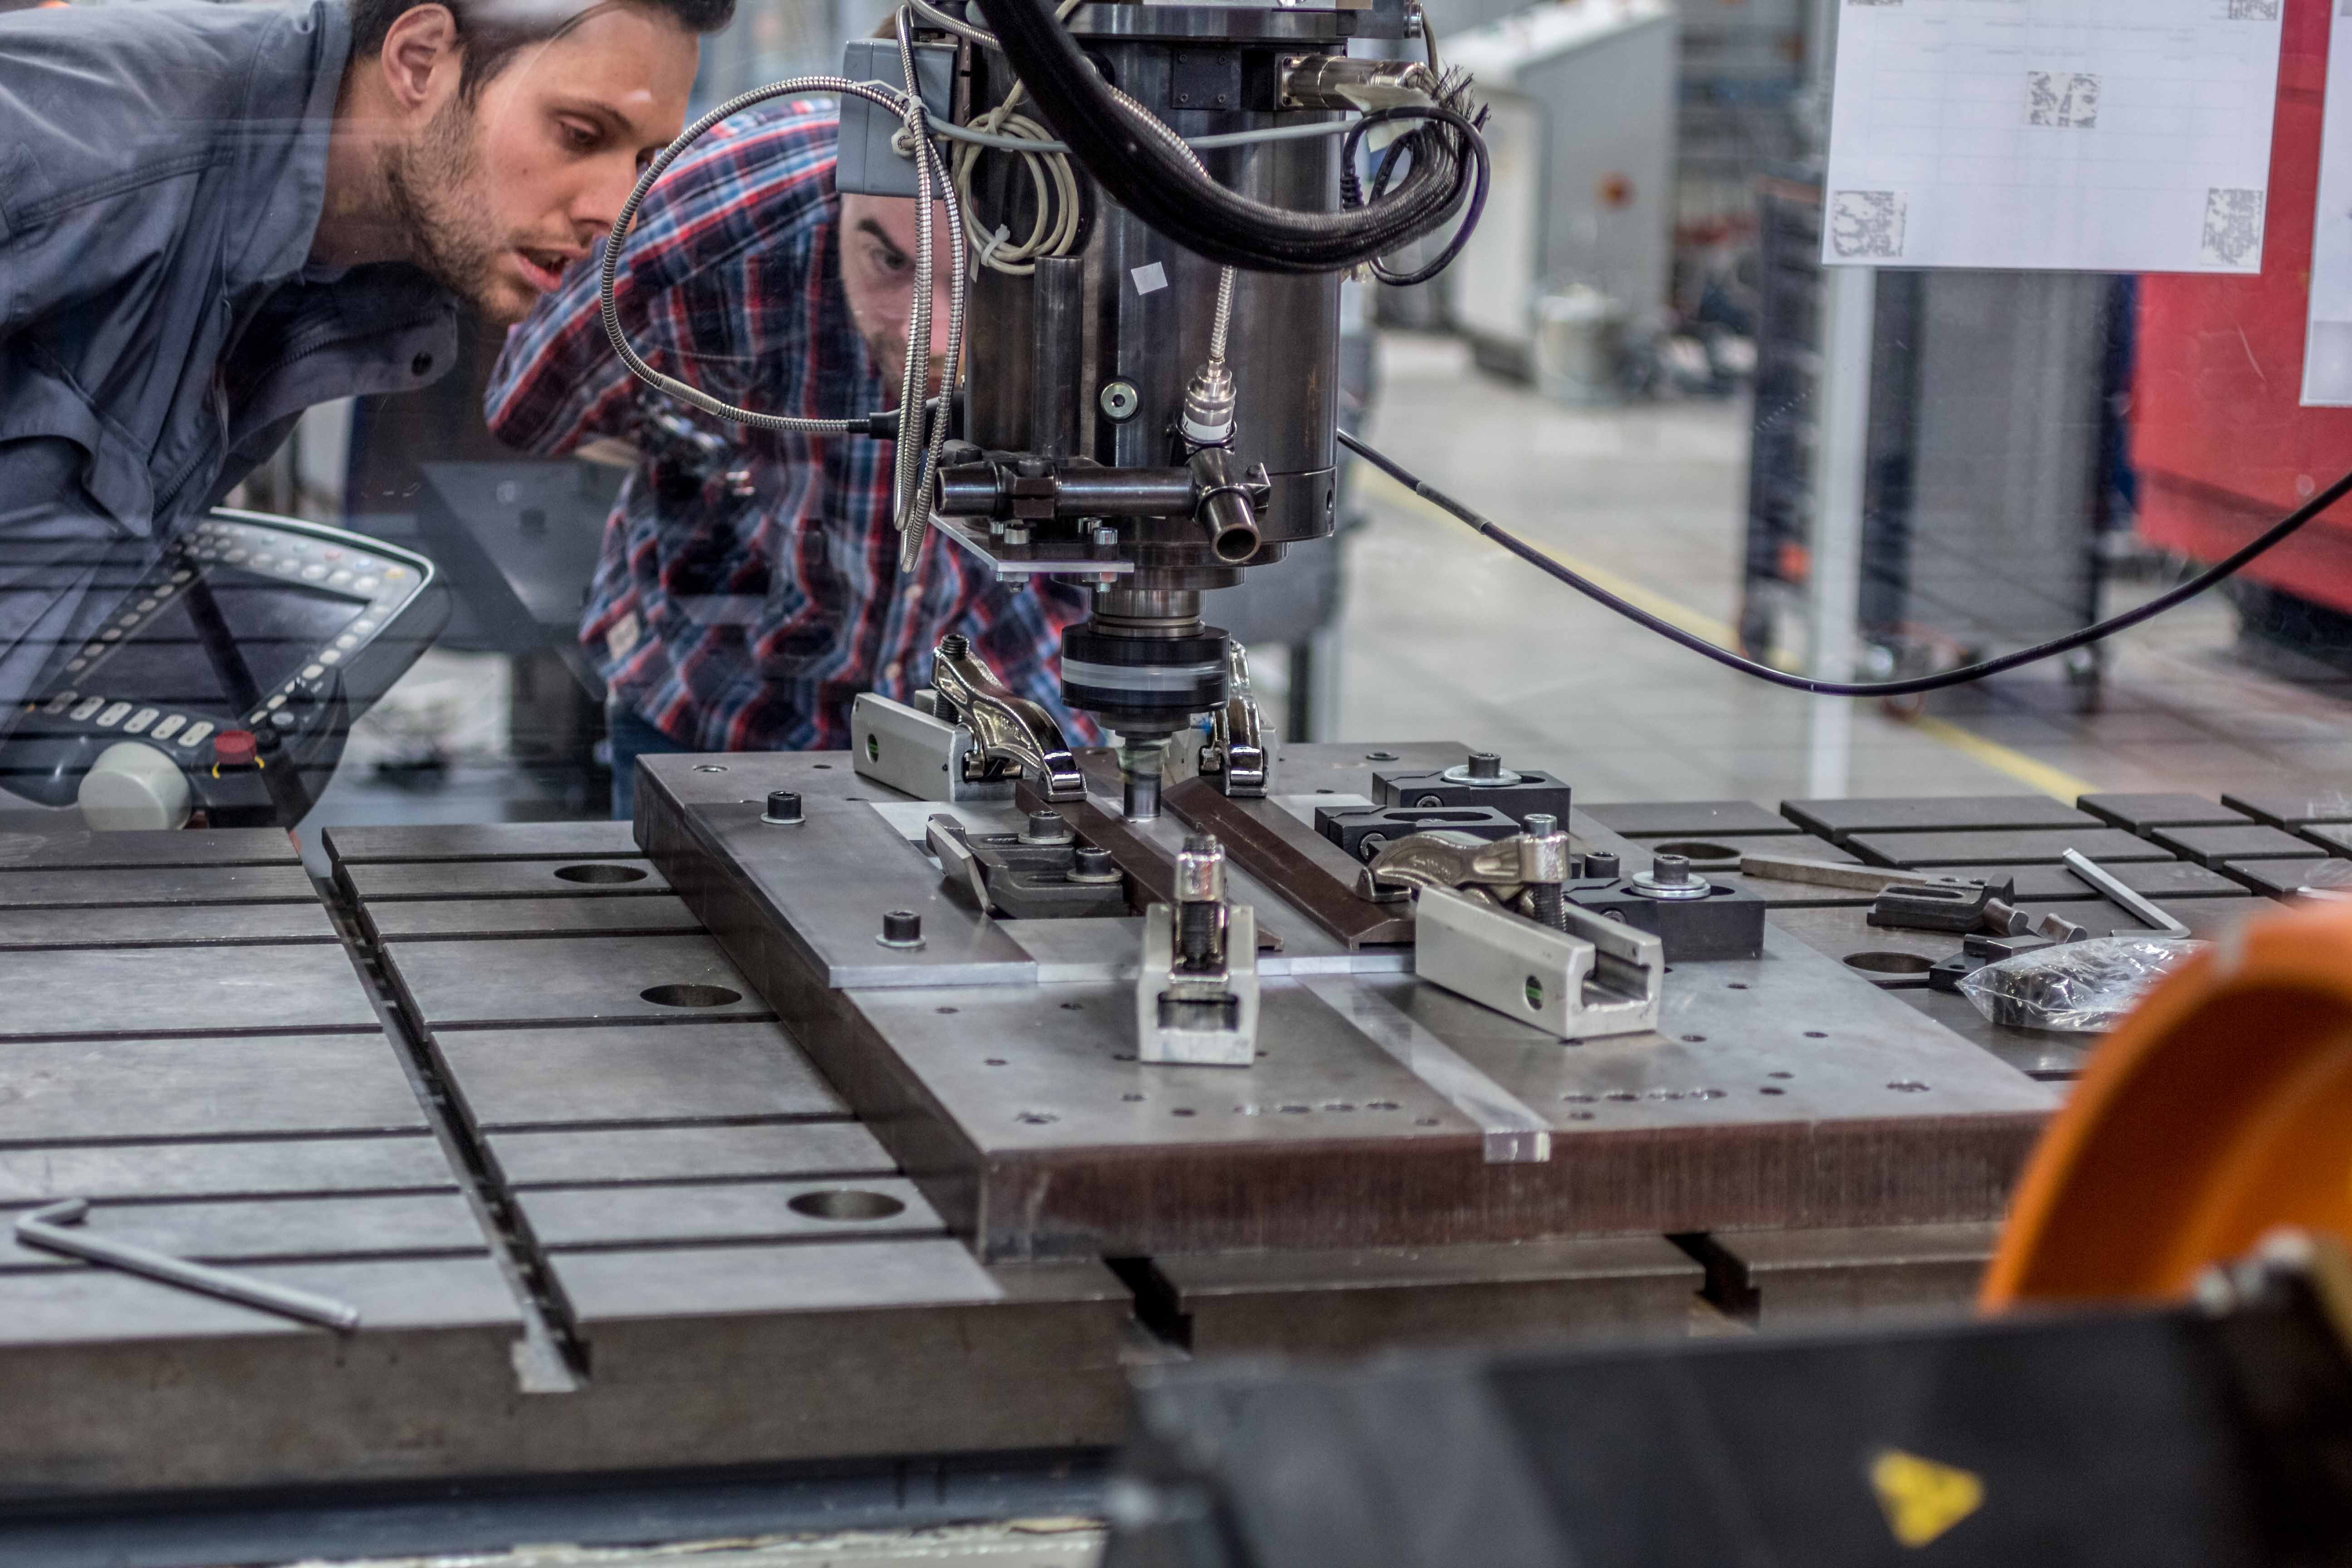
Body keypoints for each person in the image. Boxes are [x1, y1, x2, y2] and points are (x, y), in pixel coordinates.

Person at [0, 0, 732, 710]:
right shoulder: (78, 144)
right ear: (418, 62)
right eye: (578, 134)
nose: (615, 209)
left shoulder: (358, 254)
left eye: (643, 158)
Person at [486, 95, 1093, 819]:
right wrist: (687, 407)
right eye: (888, 261)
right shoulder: (721, 213)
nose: (932, 338)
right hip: (718, 704)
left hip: (1005, 703)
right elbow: (526, 409)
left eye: (980, 281)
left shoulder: (1116, 239)